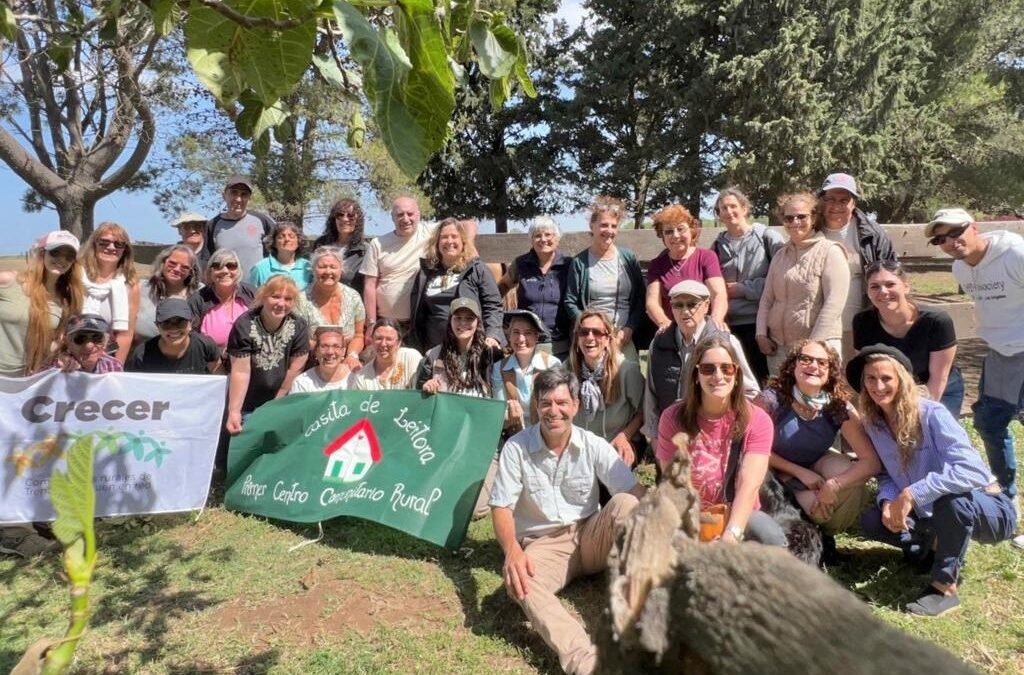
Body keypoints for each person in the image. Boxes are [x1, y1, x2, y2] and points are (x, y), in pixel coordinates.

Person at [489, 368, 646, 675]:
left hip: (590, 536)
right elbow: (501, 507)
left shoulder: (592, 443)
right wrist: (512, 550)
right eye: (546, 403)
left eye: (562, 402)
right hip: (545, 547)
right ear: (536, 405)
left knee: (628, 505)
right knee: (520, 580)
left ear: (576, 405)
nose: (553, 411)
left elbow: (634, 491)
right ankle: (586, 663)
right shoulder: (516, 448)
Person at [848, 345, 1017, 616]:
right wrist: (889, 499)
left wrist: (912, 493)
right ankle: (932, 545)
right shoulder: (874, 424)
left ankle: (945, 587)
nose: (878, 386)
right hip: (932, 512)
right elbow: (885, 475)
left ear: (902, 379)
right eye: (871, 378)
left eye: (886, 378)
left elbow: (972, 471)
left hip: (987, 506)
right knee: (873, 520)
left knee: (952, 500)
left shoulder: (931, 414)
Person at [926, 207, 1024, 548]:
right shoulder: (960, 268)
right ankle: (1007, 502)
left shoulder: (1013, 253)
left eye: (956, 232)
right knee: (989, 424)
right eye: (941, 239)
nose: (951, 242)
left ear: (974, 227)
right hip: (1000, 354)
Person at [656, 334, 787, 546]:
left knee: (770, 539)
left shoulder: (757, 420)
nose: (718, 376)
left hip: (737, 512)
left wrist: (730, 537)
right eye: (708, 369)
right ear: (696, 375)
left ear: (736, 374)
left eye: (726, 368)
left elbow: (748, 486)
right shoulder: (672, 418)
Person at [754, 340, 880, 536]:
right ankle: (793, 525)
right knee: (811, 506)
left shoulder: (837, 407)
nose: (813, 366)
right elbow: (749, 448)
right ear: (792, 365)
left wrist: (834, 485)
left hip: (814, 468)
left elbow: (870, 462)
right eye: (805, 359)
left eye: (822, 363)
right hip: (770, 473)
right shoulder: (771, 400)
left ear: (831, 371)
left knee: (847, 473)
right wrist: (798, 472)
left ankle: (825, 533)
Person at [643, 280, 759, 443]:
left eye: (692, 304)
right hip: (671, 438)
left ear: (706, 306)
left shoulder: (726, 342)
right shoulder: (659, 343)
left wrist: (728, 429)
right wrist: (655, 438)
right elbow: (651, 395)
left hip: (716, 439)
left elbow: (750, 393)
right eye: (678, 305)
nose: (685, 311)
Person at [756, 192, 850, 376]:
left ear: (814, 217)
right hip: (779, 349)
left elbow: (834, 303)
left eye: (801, 216)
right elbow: (767, 299)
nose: (795, 222)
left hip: (820, 348)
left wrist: (812, 347)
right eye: (789, 218)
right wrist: (761, 334)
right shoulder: (779, 256)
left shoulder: (830, 252)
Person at [853, 260, 962, 417]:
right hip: (889, 388)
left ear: (906, 286)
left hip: (937, 388)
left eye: (890, 284)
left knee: (932, 435)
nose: (883, 291)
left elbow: (939, 378)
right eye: (875, 286)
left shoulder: (937, 321)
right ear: (868, 292)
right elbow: (866, 371)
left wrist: (918, 416)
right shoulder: (862, 322)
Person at [818, 173, 897, 360]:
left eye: (843, 200)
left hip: (861, 323)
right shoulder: (810, 229)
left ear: (853, 203)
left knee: (857, 375)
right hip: (819, 324)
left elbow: (891, 275)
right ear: (821, 200)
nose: (836, 206)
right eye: (830, 199)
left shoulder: (873, 234)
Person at [711, 187, 785, 383]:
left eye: (733, 206)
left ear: (744, 208)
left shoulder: (767, 238)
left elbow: (781, 279)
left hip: (763, 323)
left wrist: (743, 289)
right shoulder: (717, 246)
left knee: (767, 381)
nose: (729, 212)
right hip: (730, 325)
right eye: (723, 208)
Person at [564, 197, 646, 361]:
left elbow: (640, 298)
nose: (609, 230)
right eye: (603, 225)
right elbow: (570, 301)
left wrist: (629, 328)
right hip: (593, 339)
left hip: (623, 337)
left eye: (613, 226)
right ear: (592, 227)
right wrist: (589, 329)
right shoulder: (580, 262)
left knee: (630, 379)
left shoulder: (628, 259)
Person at [225, 275, 310, 433]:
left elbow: (295, 369)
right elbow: (241, 372)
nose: (281, 303)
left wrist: (275, 405)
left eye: (288, 299)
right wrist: (234, 411)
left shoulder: (299, 326)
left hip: (281, 402)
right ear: (263, 297)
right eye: (275, 296)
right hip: (247, 404)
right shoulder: (244, 325)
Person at [409, 217, 503, 351]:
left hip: (470, 347)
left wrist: (493, 335)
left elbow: (492, 305)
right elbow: (418, 311)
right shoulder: (426, 272)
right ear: (436, 242)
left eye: (454, 237)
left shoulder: (476, 269)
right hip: (434, 348)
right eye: (444, 237)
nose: (449, 241)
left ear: (463, 241)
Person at [0, 230, 83, 377]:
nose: (62, 260)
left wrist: (62, 357)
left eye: (69, 257)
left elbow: (55, 342)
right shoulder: (8, 281)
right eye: (55, 252)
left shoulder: (66, 301)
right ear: (42, 253)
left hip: (21, 382)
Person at [567, 309, 644, 466]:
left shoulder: (626, 370)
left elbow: (644, 412)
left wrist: (625, 436)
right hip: (580, 445)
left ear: (608, 338)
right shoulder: (567, 370)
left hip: (616, 442)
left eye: (597, 332)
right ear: (577, 338)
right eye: (584, 332)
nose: (590, 337)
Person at [497, 216, 572, 359]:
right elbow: (503, 286)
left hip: (560, 344)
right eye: (537, 235)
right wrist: (498, 317)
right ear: (531, 240)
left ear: (557, 238)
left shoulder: (569, 265)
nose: (543, 239)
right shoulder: (521, 264)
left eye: (548, 234)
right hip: (526, 343)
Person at [645, 204, 727, 331]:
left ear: (692, 230)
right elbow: (652, 302)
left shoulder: (706, 257)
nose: (675, 235)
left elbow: (718, 294)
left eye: (680, 229)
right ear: (663, 237)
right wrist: (665, 324)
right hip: (672, 329)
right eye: (668, 231)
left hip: (704, 327)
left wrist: (716, 321)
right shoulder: (657, 264)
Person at [361, 195, 432, 339]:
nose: (405, 219)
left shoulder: (430, 233)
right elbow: (369, 285)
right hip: (386, 323)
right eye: (400, 215)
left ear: (418, 215)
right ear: (392, 217)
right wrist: (371, 323)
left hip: (419, 323)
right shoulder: (378, 243)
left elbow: (468, 225)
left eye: (410, 214)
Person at [491, 310, 562, 432]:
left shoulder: (551, 365)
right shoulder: (499, 368)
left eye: (528, 333)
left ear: (537, 337)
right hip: (513, 436)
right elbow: (499, 413)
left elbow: (557, 408)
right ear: (509, 336)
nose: (521, 339)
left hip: (546, 434)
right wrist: (509, 417)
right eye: (516, 332)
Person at [79, 222, 140, 363]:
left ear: (125, 250)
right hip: (72, 358)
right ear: (94, 244)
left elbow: (125, 334)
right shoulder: (76, 277)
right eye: (104, 242)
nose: (111, 247)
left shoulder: (130, 286)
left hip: (107, 359)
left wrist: (115, 368)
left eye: (119, 244)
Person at [414, 297, 494, 397]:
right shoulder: (433, 355)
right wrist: (426, 388)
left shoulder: (489, 354)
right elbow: (418, 391)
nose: (463, 323)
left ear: (477, 322)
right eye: (458, 318)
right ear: (450, 321)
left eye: (469, 318)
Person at [205, 174, 275, 278]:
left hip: (258, 291)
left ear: (249, 198)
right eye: (234, 193)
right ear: (224, 196)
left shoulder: (262, 221)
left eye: (244, 194)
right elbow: (207, 261)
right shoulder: (212, 225)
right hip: (227, 291)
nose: (238, 199)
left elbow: (279, 252)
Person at [188, 249, 257, 355]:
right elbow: (190, 335)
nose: (224, 270)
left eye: (231, 265)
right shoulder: (198, 299)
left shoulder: (252, 293)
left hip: (250, 361)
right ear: (210, 271)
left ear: (238, 270)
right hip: (211, 365)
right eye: (217, 266)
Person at [126, 298, 220, 375]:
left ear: (191, 323)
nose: (174, 329)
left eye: (180, 322)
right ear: (157, 326)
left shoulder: (205, 346)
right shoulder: (142, 354)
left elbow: (217, 374)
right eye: (166, 323)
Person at [306, 246, 365, 368]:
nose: (328, 272)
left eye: (333, 267)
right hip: (311, 363)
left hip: (346, 363)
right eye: (322, 267)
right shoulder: (301, 300)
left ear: (341, 270)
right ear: (313, 269)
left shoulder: (353, 297)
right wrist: (328, 351)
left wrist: (352, 356)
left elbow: (359, 335)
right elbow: (298, 340)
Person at [134, 244, 202, 347]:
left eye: (184, 267)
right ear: (163, 262)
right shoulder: (141, 288)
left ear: (191, 272)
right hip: (141, 355)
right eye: (172, 263)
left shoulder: (200, 293)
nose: (177, 269)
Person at [312, 197, 368, 294]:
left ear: (358, 220)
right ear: (334, 219)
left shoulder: (365, 251)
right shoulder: (320, 244)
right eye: (340, 215)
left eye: (350, 215)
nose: (345, 219)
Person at [349, 319, 422, 391]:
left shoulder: (411, 357)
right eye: (379, 338)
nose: (383, 344)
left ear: (398, 342)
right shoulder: (362, 377)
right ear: (372, 340)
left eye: (389, 339)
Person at [248, 221, 313, 290]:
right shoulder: (260, 268)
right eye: (281, 237)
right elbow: (251, 296)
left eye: (291, 236)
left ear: (299, 241)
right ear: (274, 243)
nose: (287, 239)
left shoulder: (308, 267)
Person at [48, 314, 123, 373]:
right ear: (68, 343)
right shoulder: (58, 366)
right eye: (80, 338)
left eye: (97, 337)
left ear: (106, 342)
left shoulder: (113, 366)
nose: (89, 346)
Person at [289, 327, 352, 393]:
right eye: (324, 346)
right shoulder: (302, 383)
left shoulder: (354, 377)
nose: (330, 352)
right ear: (316, 351)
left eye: (336, 346)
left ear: (343, 351)